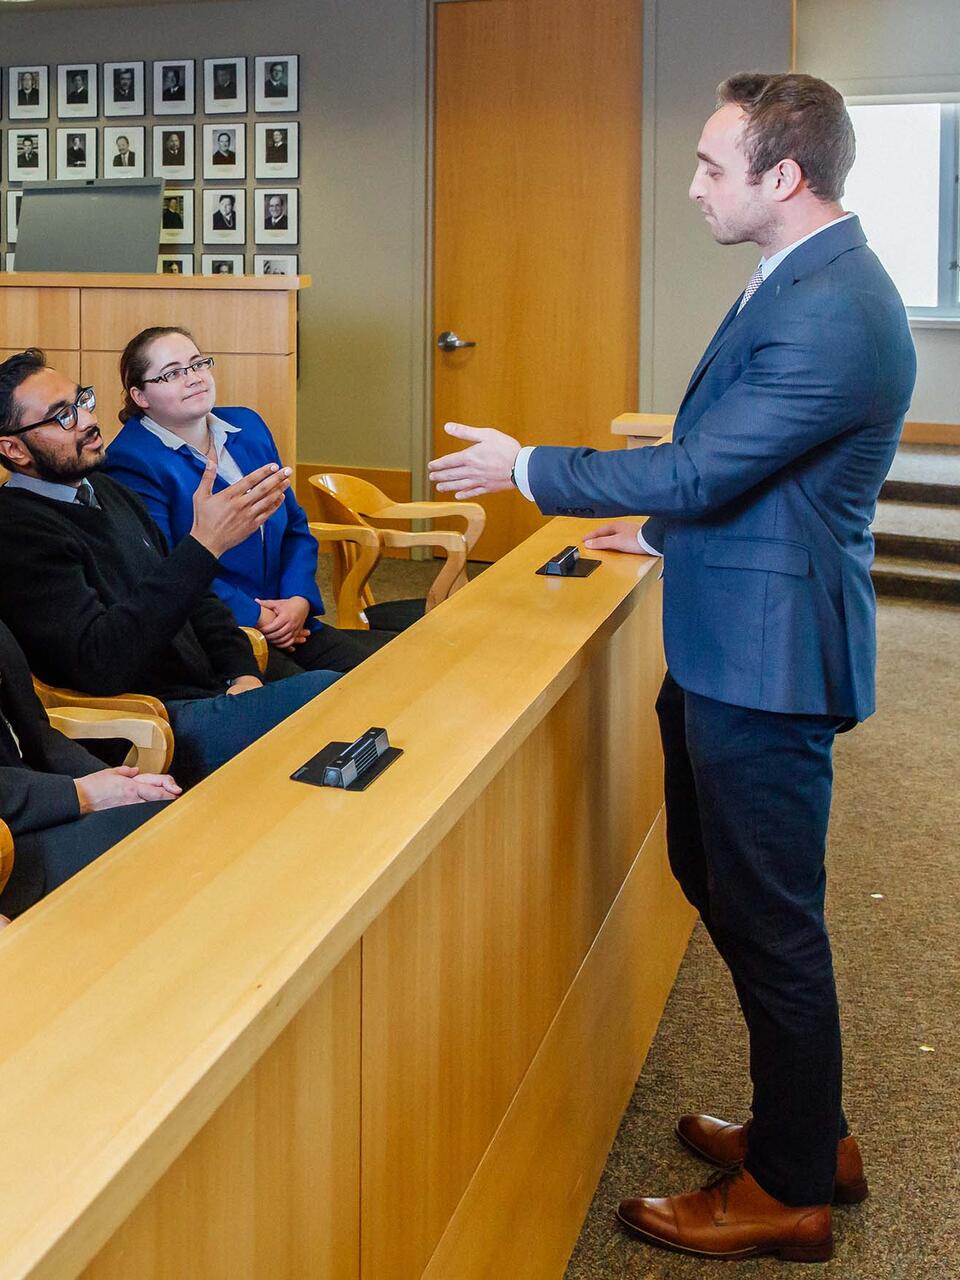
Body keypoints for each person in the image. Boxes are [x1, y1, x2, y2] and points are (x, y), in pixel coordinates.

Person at [429, 72, 917, 1264]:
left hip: (770, 659)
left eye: (711, 165)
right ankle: (807, 1126)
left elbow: (699, 469)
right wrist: (660, 530)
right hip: (736, 628)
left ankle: (794, 1183)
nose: (693, 185)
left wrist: (531, 464)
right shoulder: (802, 277)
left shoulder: (831, 306)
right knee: (723, 878)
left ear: (783, 177)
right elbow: (752, 469)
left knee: (772, 917)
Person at [0, 350, 342, 791]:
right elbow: (101, 663)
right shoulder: (16, 530)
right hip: (144, 719)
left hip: (210, 687)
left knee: (364, 688)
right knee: (332, 700)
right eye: (63, 416)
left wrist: (243, 673)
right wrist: (204, 545)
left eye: (82, 401)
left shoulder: (106, 489)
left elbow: (196, 597)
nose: (87, 420)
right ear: (13, 449)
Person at [104, 327, 393, 678]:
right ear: (141, 396)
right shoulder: (131, 460)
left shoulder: (247, 425)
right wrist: (259, 617)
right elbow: (166, 568)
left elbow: (295, 526)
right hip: (220, 636)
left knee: (382, 678)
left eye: (198, 364)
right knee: (320, 704)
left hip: (290, 618)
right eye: (173, 373)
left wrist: (297, 600)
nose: (193, 378)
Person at [0, 616, 180, 924]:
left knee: (170, 816)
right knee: (165, 853)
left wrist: (122, 785)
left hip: (39, 809)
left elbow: (37, 733)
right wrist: (82, 794)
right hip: (10, 854)